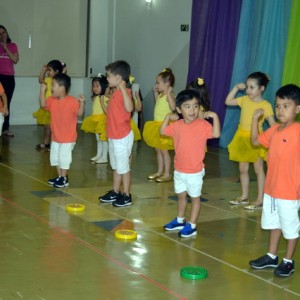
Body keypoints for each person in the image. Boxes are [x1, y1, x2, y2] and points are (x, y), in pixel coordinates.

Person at [249, 84, 300, 277]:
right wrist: (255, 120)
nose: (280, 110)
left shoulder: (298, 131)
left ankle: (288, 261)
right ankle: (272, 256)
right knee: (274, 224)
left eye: (286, 106)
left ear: (297, 109)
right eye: (278, 106)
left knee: (290, 228)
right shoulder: (274, 130)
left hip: (289, 192)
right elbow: (255, 142)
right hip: (271, 190)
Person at [161, 89, 220, 237]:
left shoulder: (202, 125)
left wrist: (215, 116)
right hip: (179, 170)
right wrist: (168, 117)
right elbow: (162, 132)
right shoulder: (177, 125)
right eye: (187, 106)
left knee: (194, 198)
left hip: (195, 171)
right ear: (179, 109)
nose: (192, 110)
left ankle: (192, 225)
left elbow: (216, 134)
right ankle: (180, 220)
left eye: (195, 106)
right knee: (181, 197)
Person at [226, 72, 275, 209]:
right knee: (243, 169)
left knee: (258, 169)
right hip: (241, 138)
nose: (248, 90)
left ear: (261, 88)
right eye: (247, 87)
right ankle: (244, 196)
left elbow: (272, 124)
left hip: (256, 140)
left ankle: (260, 199)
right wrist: (236, 88)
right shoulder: (244, 100)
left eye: (252, 87)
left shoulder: (266, 105)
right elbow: (228, 101)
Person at [98, 60, 134, 207]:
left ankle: (126, 194)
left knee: (123, 168)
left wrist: (124, 90)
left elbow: (130, 107)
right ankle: (115, 191)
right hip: (113, 136)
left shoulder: (125, 93)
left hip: (122, 137)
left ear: (118, 78)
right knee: (116, 166)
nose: (107, 78)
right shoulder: (115, 93)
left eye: (109, 76)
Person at [39, 73, 85, 188]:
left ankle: (64, 178)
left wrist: (82, 103)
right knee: (55, 158)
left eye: (53, 85)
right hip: (56, 137)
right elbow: (43, 104)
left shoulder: (72, 101)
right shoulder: (52, 100)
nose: (51, 87)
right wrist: (42, 91)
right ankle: (60, 176)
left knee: (64, 158)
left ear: (62, 88)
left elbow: (80, 113)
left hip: (68, 138)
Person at [143, 68, 176, 182]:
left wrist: (170, 93)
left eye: (158, 82)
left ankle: (167, 174)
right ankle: (159, 171)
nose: (156, 84)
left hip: (165, 126)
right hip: (157, 125)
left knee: (164, 151)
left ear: (167, 83)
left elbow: (173, 108)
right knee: (158, 150)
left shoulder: (169, 95)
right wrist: (155, 92)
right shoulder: (161, 95)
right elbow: (157, 102)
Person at [33, 60, 66, 151]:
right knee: (46, 127)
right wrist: (43, 70)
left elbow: (64, 79)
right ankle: (46, 143)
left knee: (54, 127)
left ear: (56, 72)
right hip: (47, 106)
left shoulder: (59, 81)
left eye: (49, 70)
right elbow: (40, 80)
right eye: (47, 70)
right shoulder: (48, 80)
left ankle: (55, 143)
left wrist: (63, 72)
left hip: (55, 108)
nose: (48, 72)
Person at [81, 75, 109, 163]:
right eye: (93, 86)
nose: (95, 88)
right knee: (98, 139)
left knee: (103, 139)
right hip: (96, 120)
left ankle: (104, 157)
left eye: (97, 86)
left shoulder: (105, 97)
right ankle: (98, 155)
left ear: (103, 86)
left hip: (102, 120)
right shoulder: (96, 97)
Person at [0, 25, 19, 137]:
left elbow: (15, 60)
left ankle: (5, 128)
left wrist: (5, 47)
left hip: (8, 78)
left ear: (7, 33)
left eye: (3, 32)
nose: (2, 35)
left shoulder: (12, 46)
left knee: (7, 103)